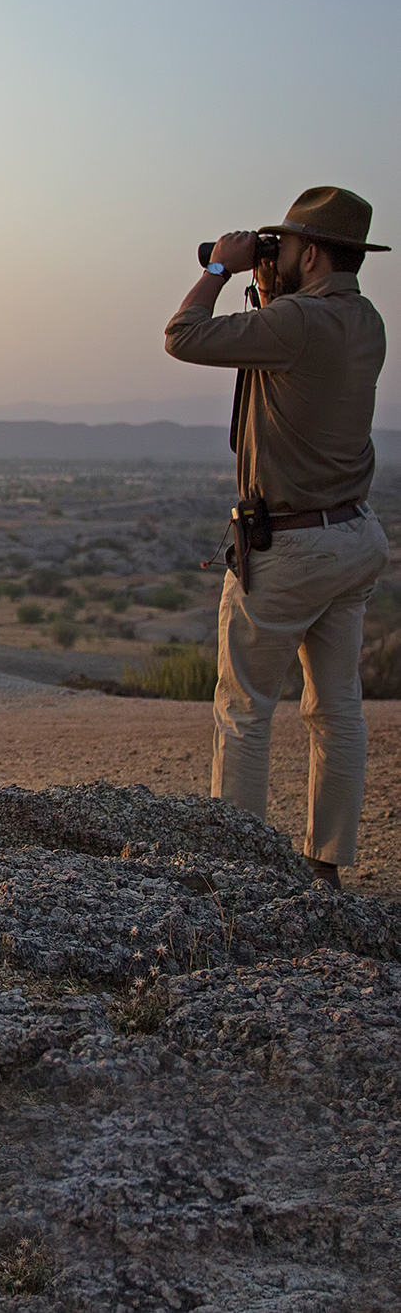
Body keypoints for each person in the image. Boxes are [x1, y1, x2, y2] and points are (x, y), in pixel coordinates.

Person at [165, 187, 391, 890]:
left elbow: (182, 336)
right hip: (353, 537)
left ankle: (236, 875)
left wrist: (222, 270)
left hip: (291, 550)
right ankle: (324, 868)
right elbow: (286, 356)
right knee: (336, 707)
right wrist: (269, 289)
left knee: (243, 710)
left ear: (313, 252)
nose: (274, 252)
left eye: (283, 245)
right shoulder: (367, 320)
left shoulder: (295, 323)